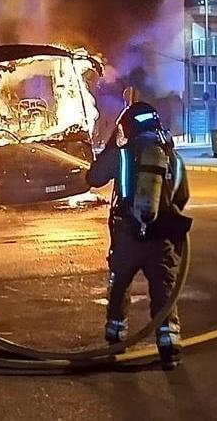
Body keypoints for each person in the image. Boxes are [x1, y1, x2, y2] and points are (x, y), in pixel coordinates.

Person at [87, 100, 191, 370]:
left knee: (119, 286)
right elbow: (182, 196)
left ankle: (116, 339)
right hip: (162, 239)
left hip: (128, 237)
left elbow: (93, 178)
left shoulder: (122, 155)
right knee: (164, 292)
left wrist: (112, 145)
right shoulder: (172, 158)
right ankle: (169, 348)